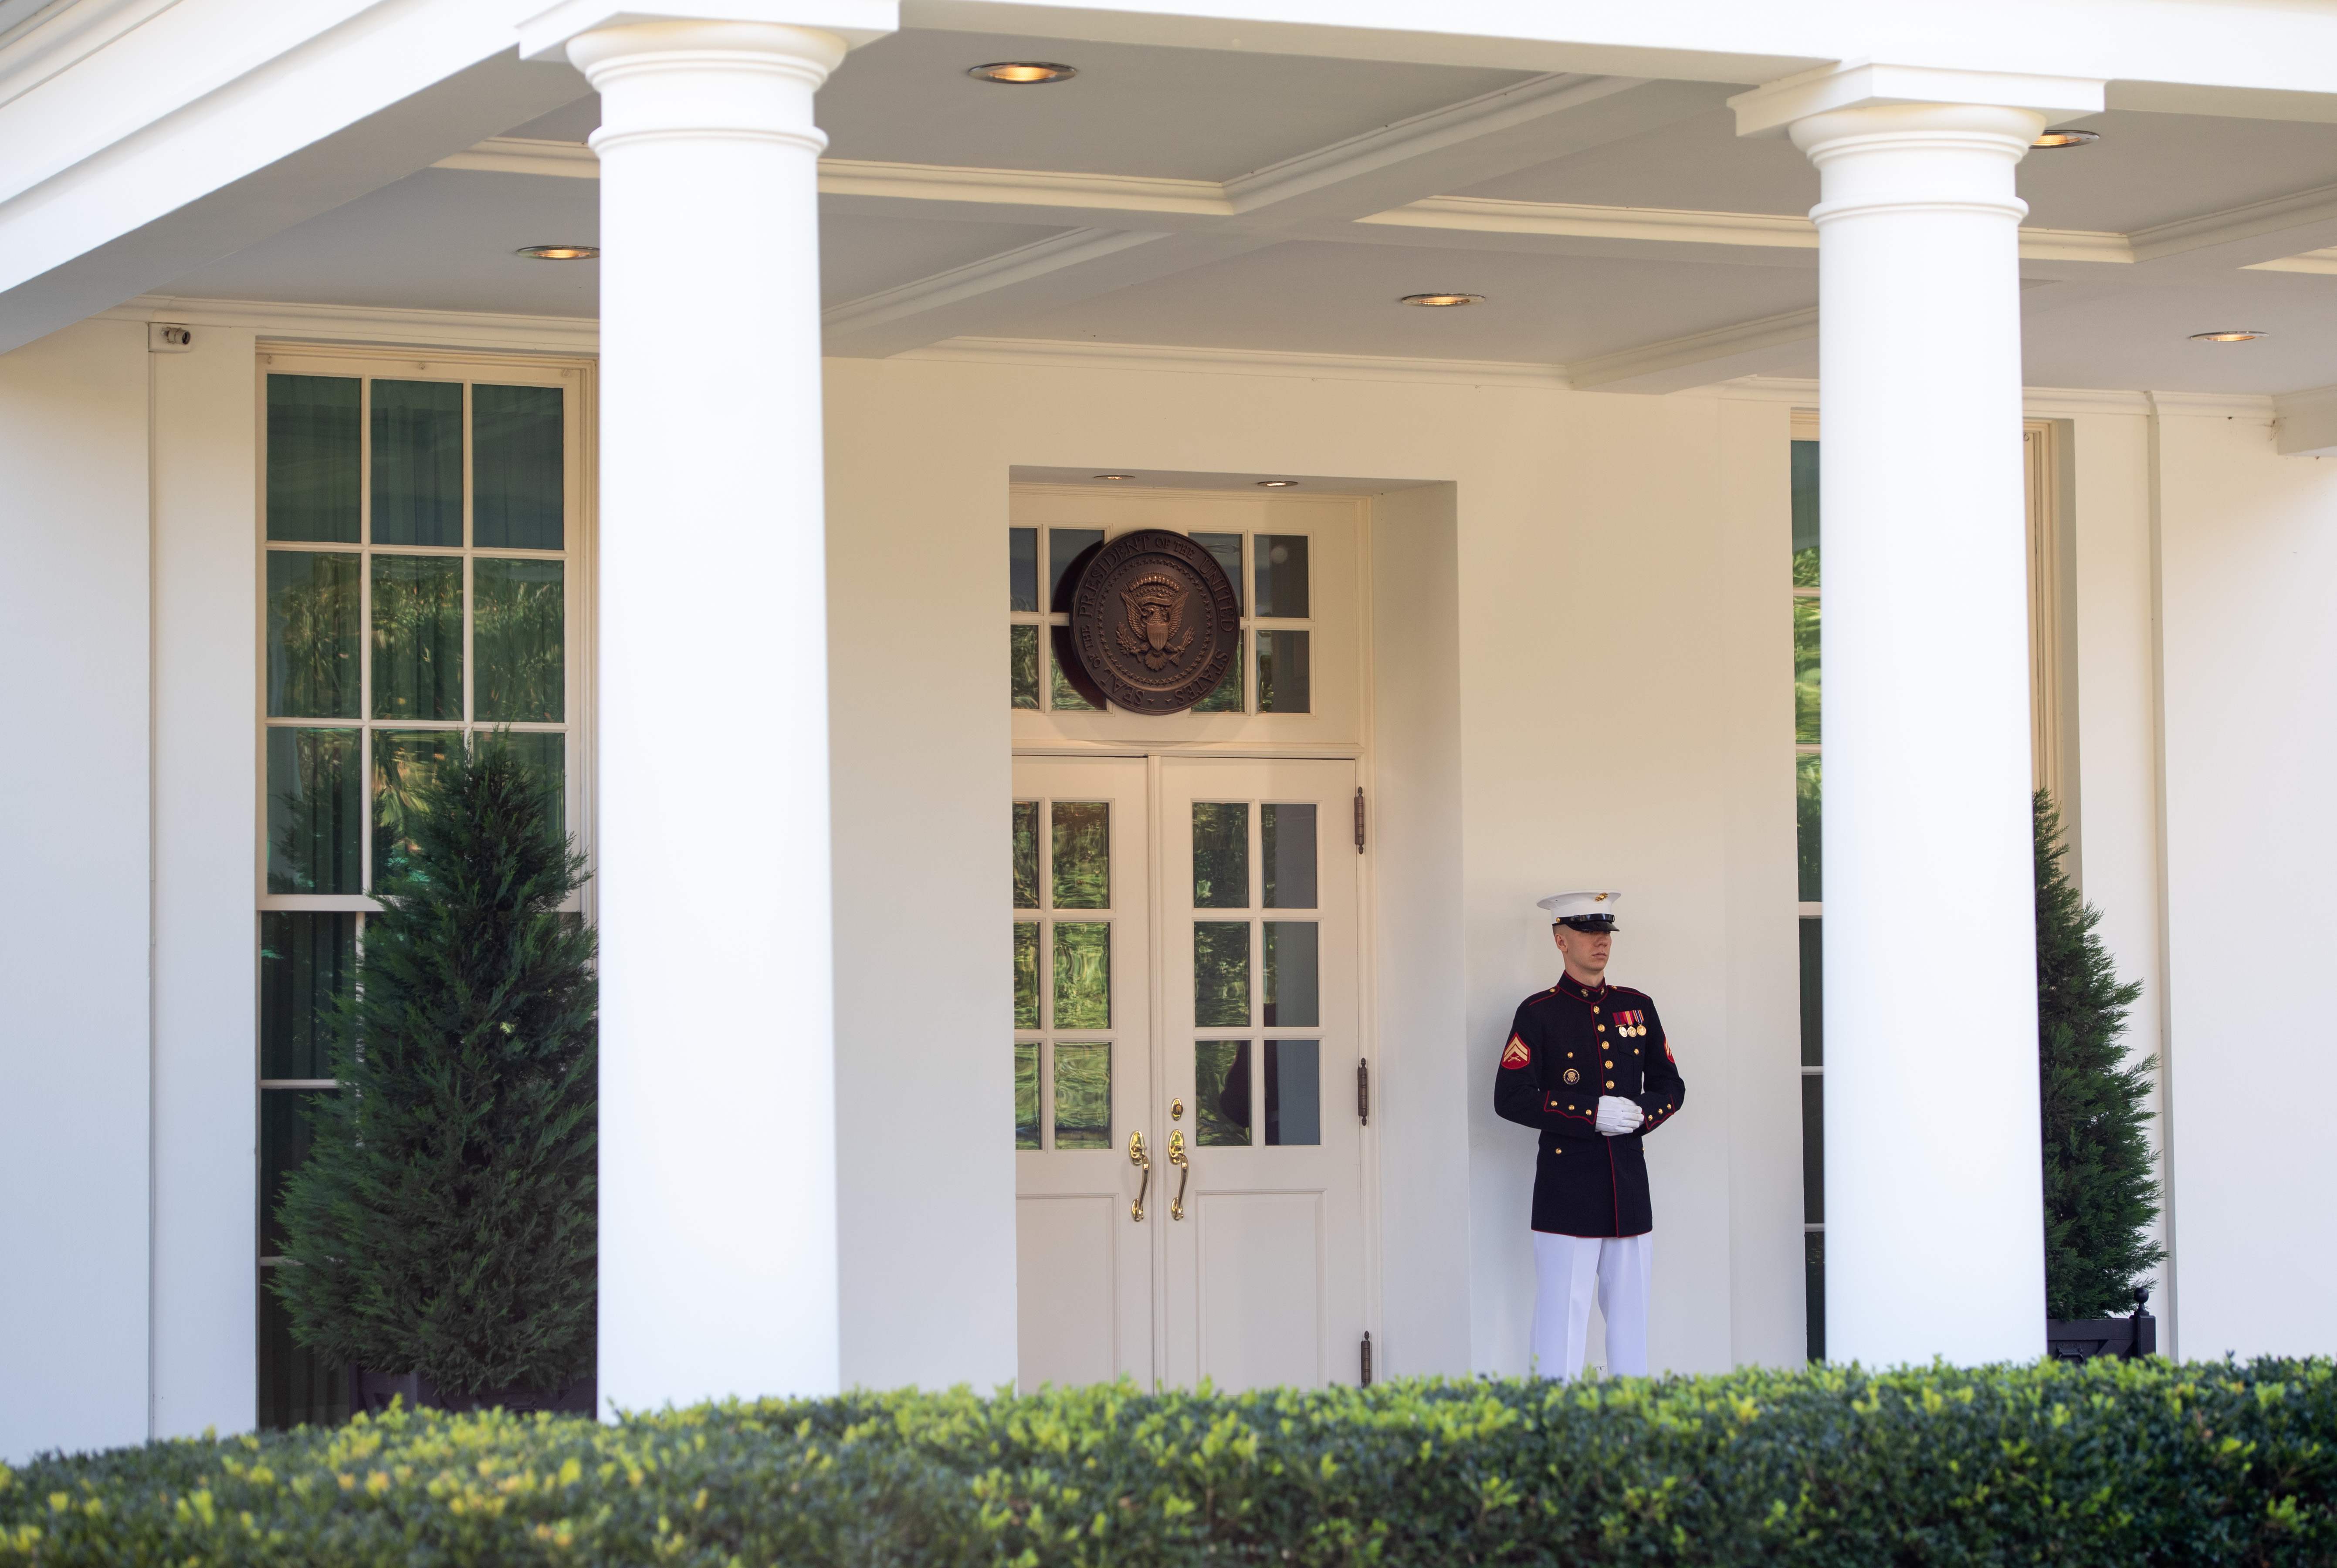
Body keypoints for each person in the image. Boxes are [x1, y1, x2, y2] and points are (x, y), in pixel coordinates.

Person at [1492, 890, 1686, 1378]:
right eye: (1587, 932)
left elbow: (1670, 1084)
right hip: (1567, 1190)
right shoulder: (1539, 1013)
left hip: (1628, 1187)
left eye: (1606, 933)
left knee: (1632, 1322)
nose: (1601, 942)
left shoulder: (1637, 1007)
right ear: (1561, 941)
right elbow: (1511, 1096)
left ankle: (1630, 1423)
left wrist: (1639, 1113)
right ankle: (1554, 1431)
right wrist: (1590, 1113)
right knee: (1562, 1320)